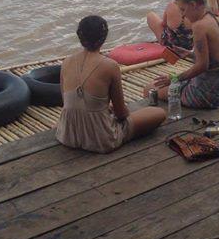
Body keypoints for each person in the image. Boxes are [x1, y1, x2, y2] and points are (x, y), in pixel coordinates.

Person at [57, 15, 166, 153]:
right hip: (101, 138)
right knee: (159, 113)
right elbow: (121, 113)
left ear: (80, 36)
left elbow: (66, 102)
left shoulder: (66, 62)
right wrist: (115, 112)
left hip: (67, 133)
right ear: (104, 38)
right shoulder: (110, 65)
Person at [145, 0, 219, 110]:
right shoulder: (218, 20)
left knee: (150, 89)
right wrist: (190, 54)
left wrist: (174, 79)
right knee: (159, 87)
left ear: (193, 4)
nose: (183, 15)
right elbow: (216, 59)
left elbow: (202, 66)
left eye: (182, 10)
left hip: (205, 94)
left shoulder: (199, 27)